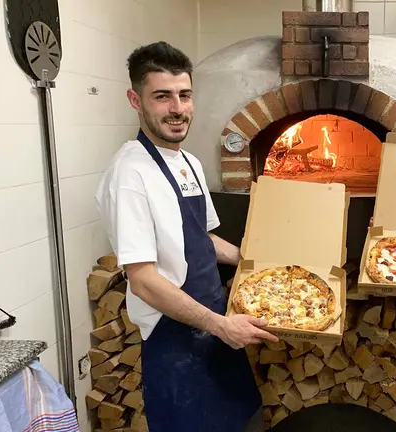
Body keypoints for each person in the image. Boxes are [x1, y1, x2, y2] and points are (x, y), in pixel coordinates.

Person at [95, 41, 278, 432]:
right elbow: (143, 280)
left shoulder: (189, 162)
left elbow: (203, 239)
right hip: (174, 339)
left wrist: (256, 259)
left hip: (214, 324)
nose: (177, 108)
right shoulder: (130, 174)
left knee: (242, 421)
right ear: (135, 99)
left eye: (184, 95)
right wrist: (220, 325)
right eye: (162, 96)